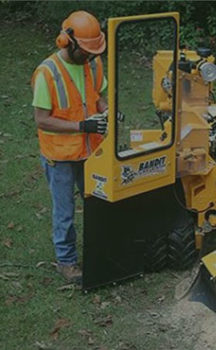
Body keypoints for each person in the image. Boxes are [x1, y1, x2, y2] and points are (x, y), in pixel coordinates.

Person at [31, 10, 108, 283]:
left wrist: (108, 111)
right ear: (67, 42)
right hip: (60, 156)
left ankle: (102, 251)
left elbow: (99, 97)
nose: (89, 56)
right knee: (64, 211)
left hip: (91, 152)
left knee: (99, 202)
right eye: (85, 51)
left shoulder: (94, 64)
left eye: (92, 51)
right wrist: (81, 126)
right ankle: (66, 262)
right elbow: (41, 120)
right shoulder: (47, 72)